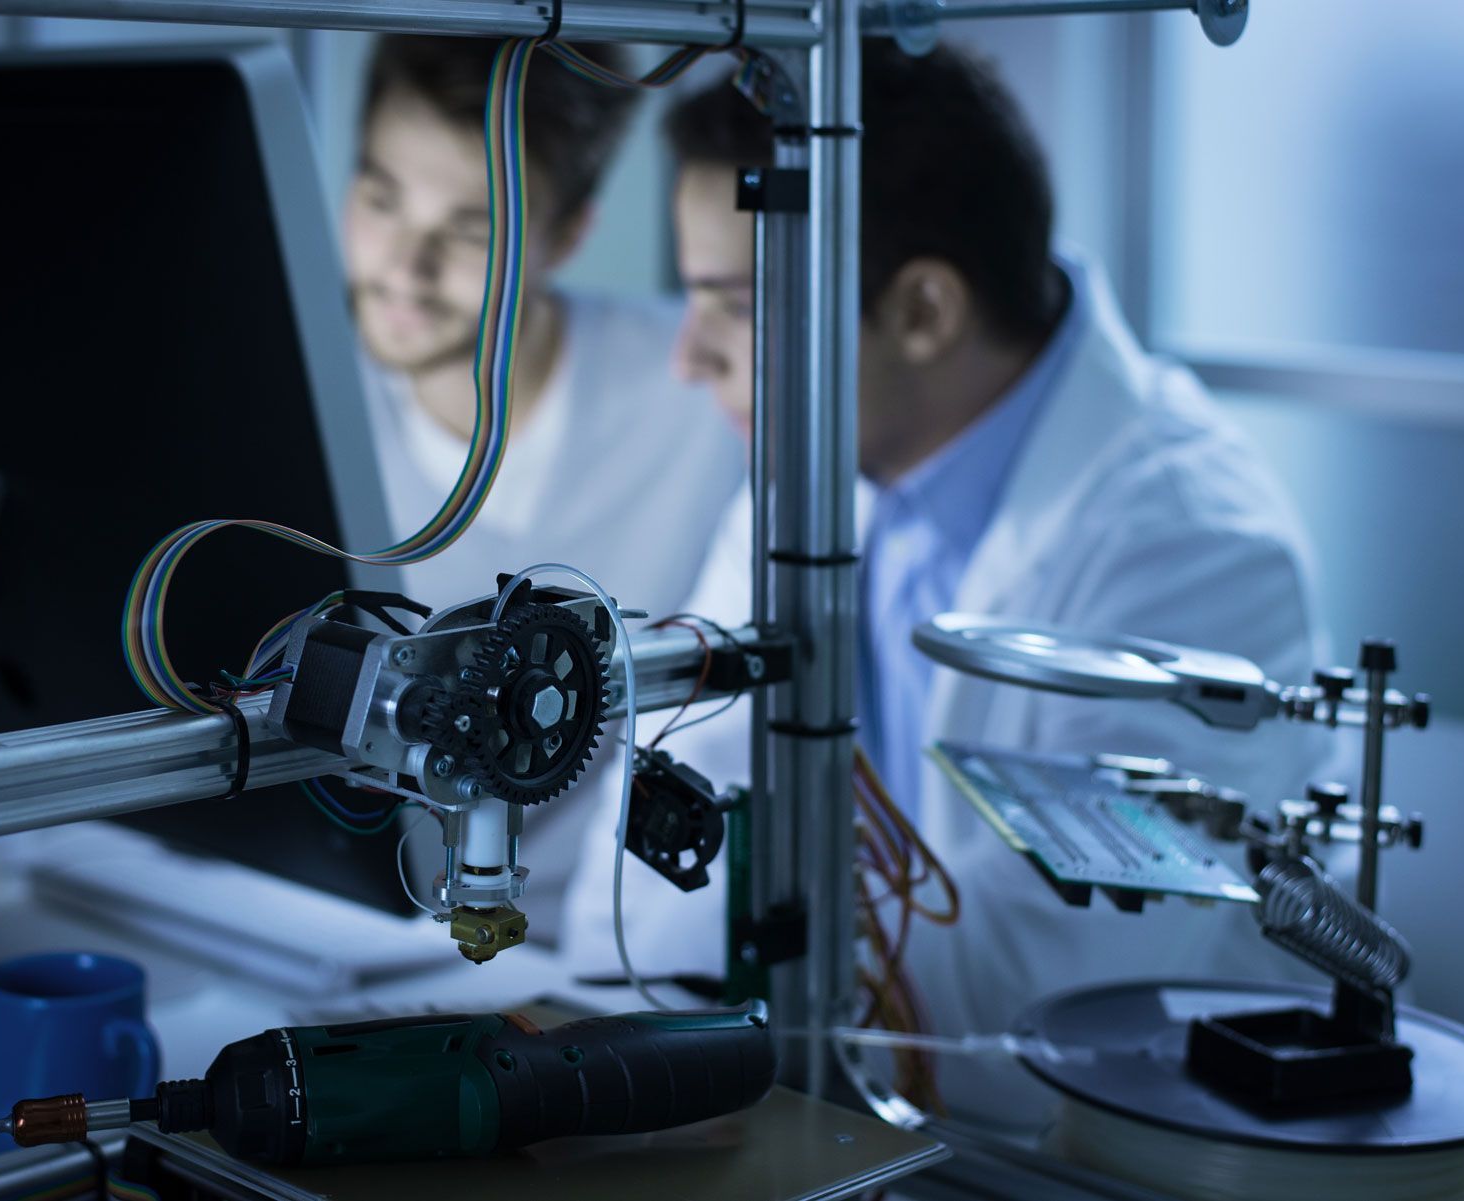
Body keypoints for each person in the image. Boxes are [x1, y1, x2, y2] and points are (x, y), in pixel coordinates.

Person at [564, 41, 1333, 1128]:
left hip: (1111, 1151)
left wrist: (729, 964)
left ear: (924, 311)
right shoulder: (825, 466)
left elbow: (1041, 994)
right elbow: (643, 876)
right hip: (835, 1112)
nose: (690, 359)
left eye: (734, 305)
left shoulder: (1193, 548)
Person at [343, 36, 746, 938]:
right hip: (339, 935)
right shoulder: (291, 403)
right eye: (380, 200)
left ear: (566, 235)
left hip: (621, 943)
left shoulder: (704, 391)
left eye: (470, 229)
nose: (405, 268)